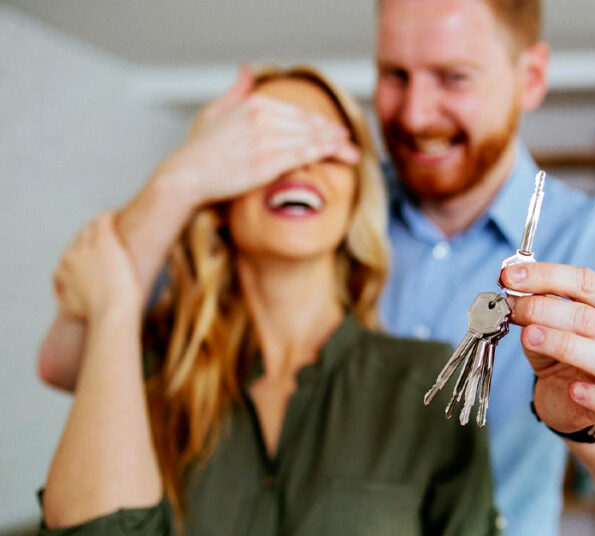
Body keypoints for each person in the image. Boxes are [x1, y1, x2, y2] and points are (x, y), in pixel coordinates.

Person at [39, 1, 595, 533]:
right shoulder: (308, 222)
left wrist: (589, 413)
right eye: (394, 76)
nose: (416, 113)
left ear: (529, 77)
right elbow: (76, 353)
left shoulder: (590, 242)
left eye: (452, 77)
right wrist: (184, 177)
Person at [37, 67, 499, 535]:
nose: (298, 166)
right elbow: (60, 363)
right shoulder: (158, 371)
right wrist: (180, 178)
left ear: (357, 191)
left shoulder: (433, 384)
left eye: (323, 146)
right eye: (263, 147)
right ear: (217, 199)